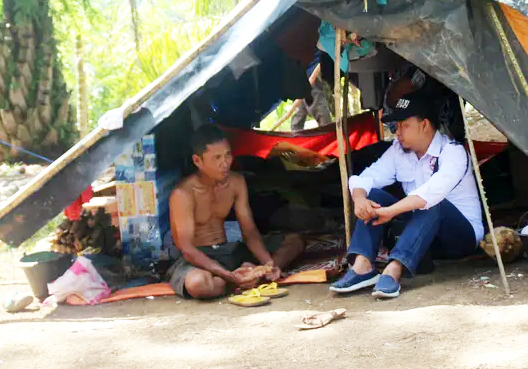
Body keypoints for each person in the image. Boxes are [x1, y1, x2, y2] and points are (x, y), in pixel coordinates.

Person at [329, 91, 483, 298]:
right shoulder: (398, 151)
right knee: (373, 194)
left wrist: (391, 212)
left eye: (404, 125)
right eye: (396, 126)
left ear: (424, 125)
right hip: (421, 235)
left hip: (459, 237)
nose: (397, 131)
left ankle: (394, 270)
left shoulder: (452, 152)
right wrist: (359, 199)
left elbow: (430, 194)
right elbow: (367, 177)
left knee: (431, 203)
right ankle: (362, 267)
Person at [167, 124, 305, 299]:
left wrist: (268, 264)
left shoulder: (236, 182)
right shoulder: (183, 194)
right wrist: (227, 274)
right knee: (199, 285)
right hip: (199, 259)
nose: (224, 163)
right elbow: (187, 248)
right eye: (216, 158)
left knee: (295, 241)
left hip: (230, 251)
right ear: (197, 161)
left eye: (227, 155)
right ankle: (244, 278)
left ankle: (254, 274)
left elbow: (249, 231)